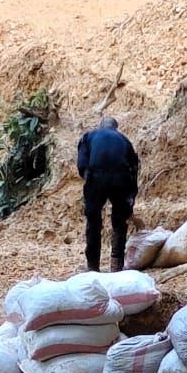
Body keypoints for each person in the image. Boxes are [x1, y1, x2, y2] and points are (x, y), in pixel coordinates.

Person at [76, 116, 139, 272]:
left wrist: (88, 178)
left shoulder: (89, 136)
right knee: (119, 222)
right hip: (121, 179)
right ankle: (116, 265)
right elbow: (134, 167)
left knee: (94, 222)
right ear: (115, 128)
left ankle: (92, 266)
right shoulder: (124, 140)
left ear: (100, 126)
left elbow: (82, 164)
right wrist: (131, 194)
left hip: (96, 177)